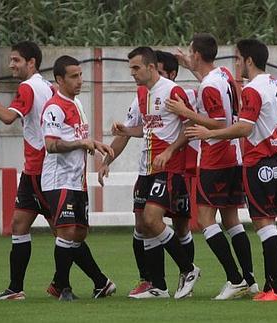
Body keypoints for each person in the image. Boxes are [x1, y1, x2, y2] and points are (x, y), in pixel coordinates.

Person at [185, 38, 277, 302]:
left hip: (258, 160)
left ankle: (272, 287)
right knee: (264, 224)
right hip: (276, 159)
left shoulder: (253, 90)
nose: (235, 63)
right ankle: (265, 284)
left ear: (249, 61)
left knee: (263, 225)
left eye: (238, 59)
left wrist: (210, 132)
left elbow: (243, 127)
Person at [97, 50, 197, 297]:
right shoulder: (141, 94)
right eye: (130, 69)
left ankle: (188, 269)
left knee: (154, 219)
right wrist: (108, 158)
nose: (132, 73)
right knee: (142, 224)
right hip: (146, 169)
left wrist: (170, 151)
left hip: (167, 168)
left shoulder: (172, 91)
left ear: (151, 67)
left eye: (135, 68)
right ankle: (158, 286)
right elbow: (142, 129)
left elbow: (190, 128)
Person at [168, 33, 257, 300]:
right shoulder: (224, 75)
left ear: (197, 54)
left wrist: (186, 113)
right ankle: (250, 280)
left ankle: (234, 278)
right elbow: (219, 102)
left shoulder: (208, 86)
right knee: (231, 220)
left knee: (206, 219)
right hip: (233, 156)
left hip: (215, 157)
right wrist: (188, 66)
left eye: (190, 52)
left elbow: (219, 123)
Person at [0, 41, 57, 300]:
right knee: (19, 225)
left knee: (62, 231)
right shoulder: (47, 86)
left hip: (39, 170)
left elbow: (8, 118)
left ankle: (99, 281)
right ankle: (15, 289)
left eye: (16, 60)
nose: (11, 65)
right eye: (11, 60)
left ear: (31, 62)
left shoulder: (28, 87)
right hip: (39, 168)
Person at [41, 55, 116, 301]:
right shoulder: (54, 107)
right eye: (74, 76)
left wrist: (92, 143)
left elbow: (77, 139)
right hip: (57, 179)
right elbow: (51, 145)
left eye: (81, 75)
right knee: (66, 231)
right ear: (59, 79)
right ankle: (62, 287)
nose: (80, 80)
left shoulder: (77, 104)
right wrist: (81, 143)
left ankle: (93, 283)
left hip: (77, 180)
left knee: (79, 234)